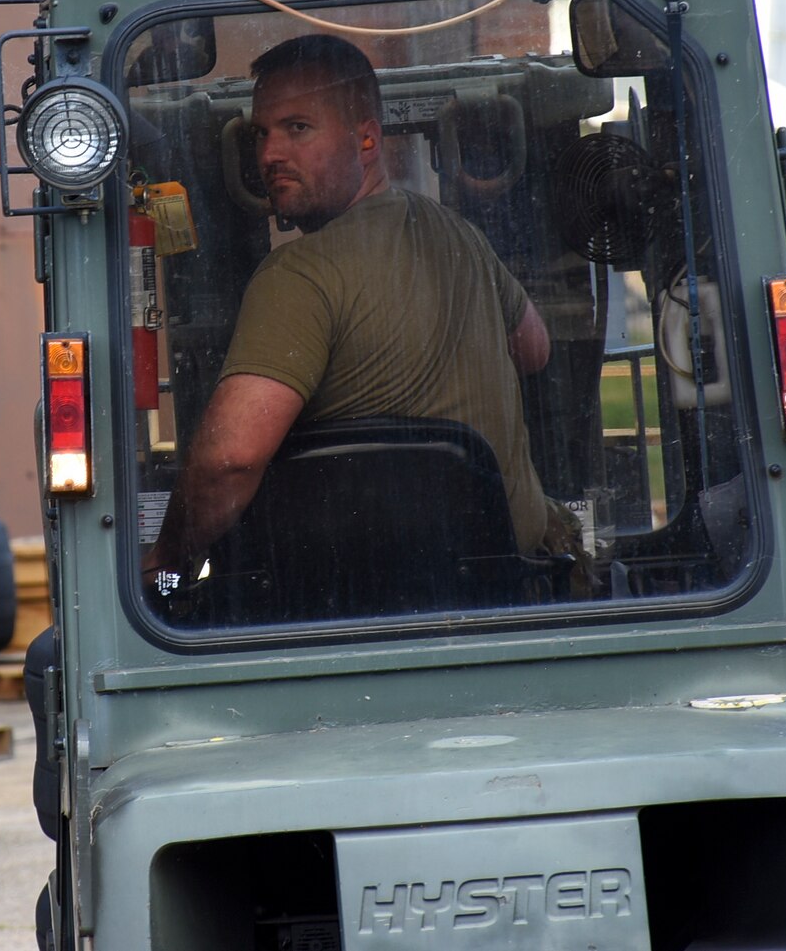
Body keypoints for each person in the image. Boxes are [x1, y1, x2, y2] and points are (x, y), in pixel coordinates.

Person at [143, 34, 556, 584]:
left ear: (366, 138)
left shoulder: (298, 276)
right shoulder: (462, 238)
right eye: (262, 133)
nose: (269, 154)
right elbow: (534, 349)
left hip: (355, 603)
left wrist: (167, 561)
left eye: (298, 128)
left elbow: (230, 462)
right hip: (506, 586)